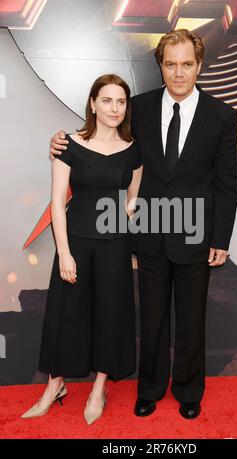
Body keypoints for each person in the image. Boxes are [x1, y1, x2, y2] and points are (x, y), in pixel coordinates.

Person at [49, 29, 237, 420]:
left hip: (195, 232)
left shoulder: (222, 116)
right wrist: (60, 142)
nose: (179, 72)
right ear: (161, 66)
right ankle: (150, 389)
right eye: (170, 64)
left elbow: (227, 182)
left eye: (187, 64)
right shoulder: (138, 107)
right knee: (151, 319)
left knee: (191, 319)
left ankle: (188, 390)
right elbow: (99, 137)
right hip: (149, 233)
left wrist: (221, 236)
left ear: (199, 66)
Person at [21, 74, 143, 425]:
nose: (114, 108)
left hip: (115, 247)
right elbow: (57, 200)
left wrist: (130, 230)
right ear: (92, 103)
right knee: (66, 314)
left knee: (110, 314)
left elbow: (133, 198)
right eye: (106, 100)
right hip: (75, 241)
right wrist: (64, 252)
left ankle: (98, 388)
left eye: (121, 101)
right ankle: (54, 386)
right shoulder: (68, 144)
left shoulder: (134, 149)